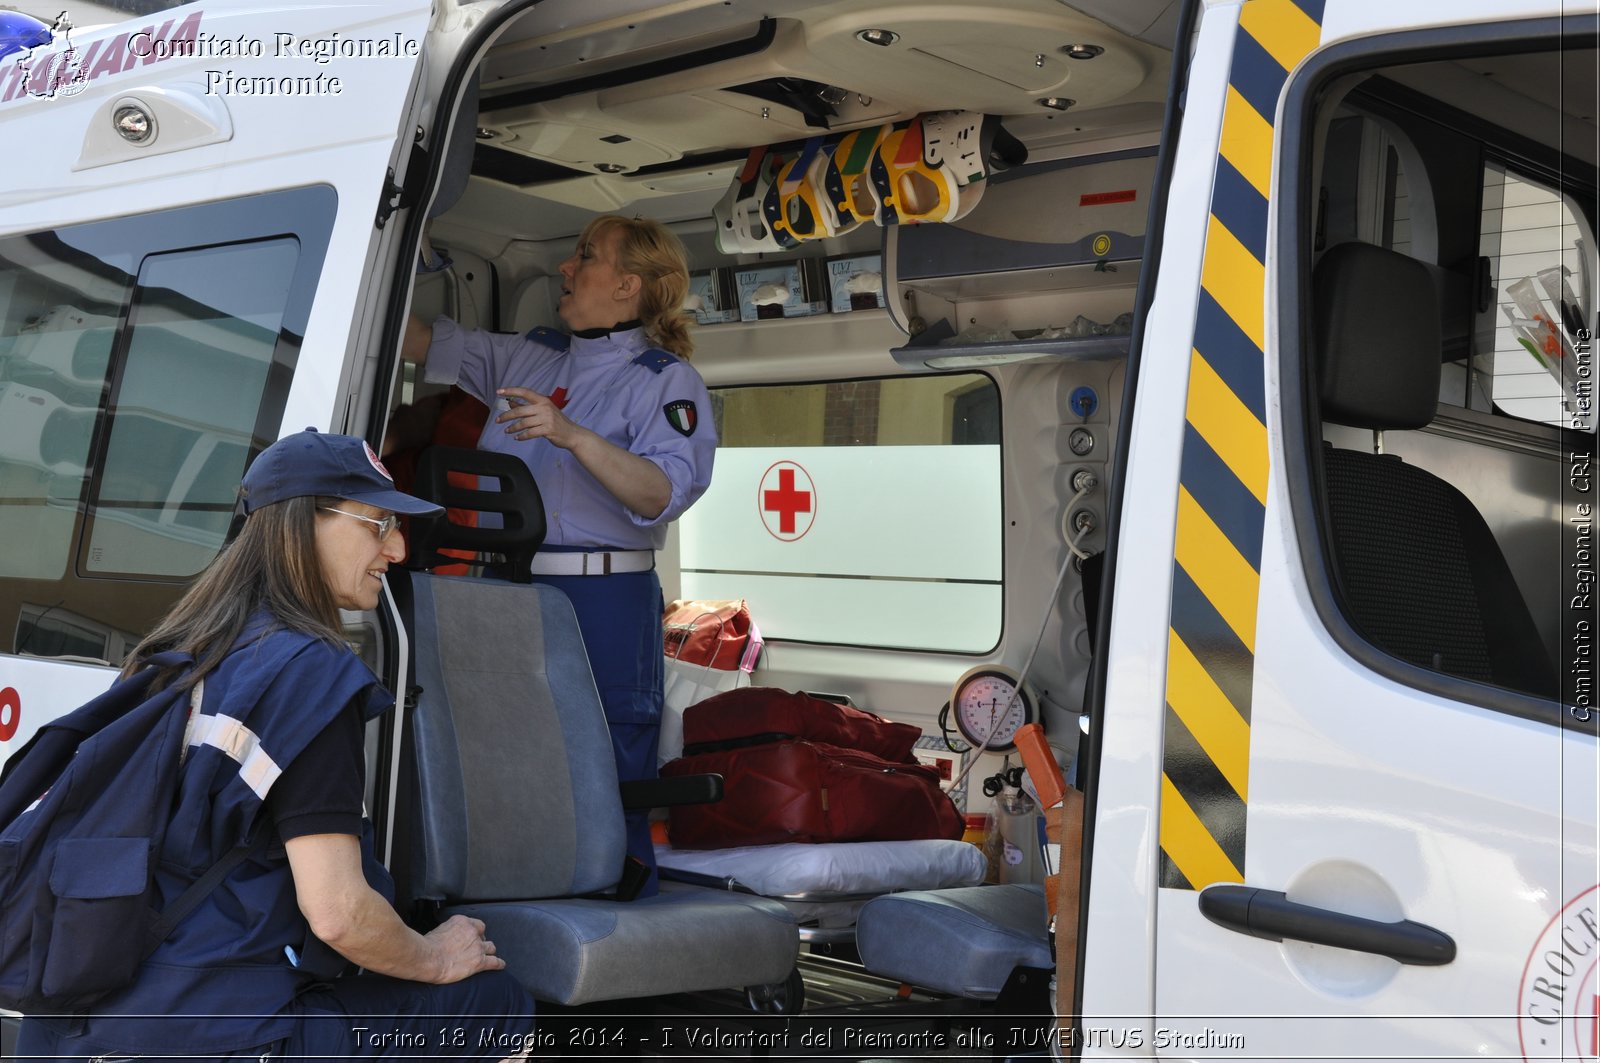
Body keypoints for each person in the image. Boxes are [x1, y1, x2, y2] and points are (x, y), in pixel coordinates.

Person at [16, 429, 536, 1062]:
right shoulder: (309, 675)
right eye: (377, 524)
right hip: (208, 1035)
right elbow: (339, 914)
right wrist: (434, 956)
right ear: (300, 524)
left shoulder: (179, 655)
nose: (397, 550)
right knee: (491, 1000)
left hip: (71, 1026)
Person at [402, 214, 716, 896]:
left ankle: (617, 934)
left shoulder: (666, 381)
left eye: (585, 257)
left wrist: (571, 435)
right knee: (504, 754)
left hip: (602, 597)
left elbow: (663, 490)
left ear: (628, 285)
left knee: (602, 767)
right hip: (504, 592)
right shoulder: (532, 354)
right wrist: (403, 248)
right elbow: (414, 338)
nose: (566, 271)